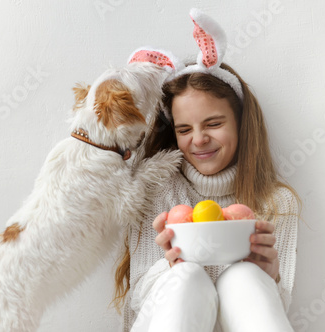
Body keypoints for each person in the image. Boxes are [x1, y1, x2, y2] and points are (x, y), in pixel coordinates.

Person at [113, 9, 301, 332]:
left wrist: (270, 276)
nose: (198, 140)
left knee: (243, 277)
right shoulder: (159, 189)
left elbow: (267, 312)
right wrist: (171, 265)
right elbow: (137, 302)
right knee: (187, 277)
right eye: (184, 129)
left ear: (241, 123)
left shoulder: (277, 203)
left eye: (213, 123)